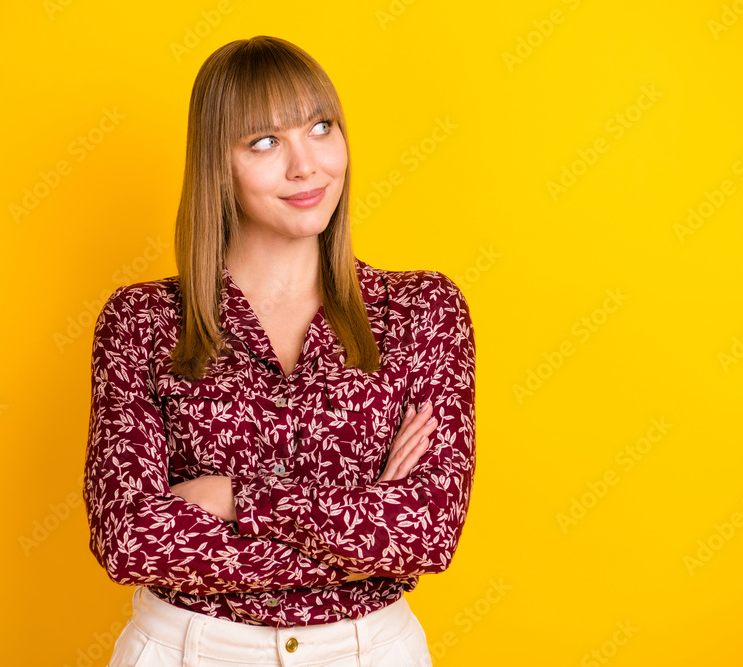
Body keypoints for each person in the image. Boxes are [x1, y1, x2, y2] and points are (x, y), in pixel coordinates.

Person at [83, 35, 476, 667]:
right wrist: (360, 519)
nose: (306, 166)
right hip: (188, 651)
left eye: (321, 128)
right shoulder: (141, 322)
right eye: (265, 142)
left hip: (369, 652)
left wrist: (235, 500)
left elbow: (426, 534)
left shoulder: (421, 311)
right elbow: (129, 540)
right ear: (218, 162)